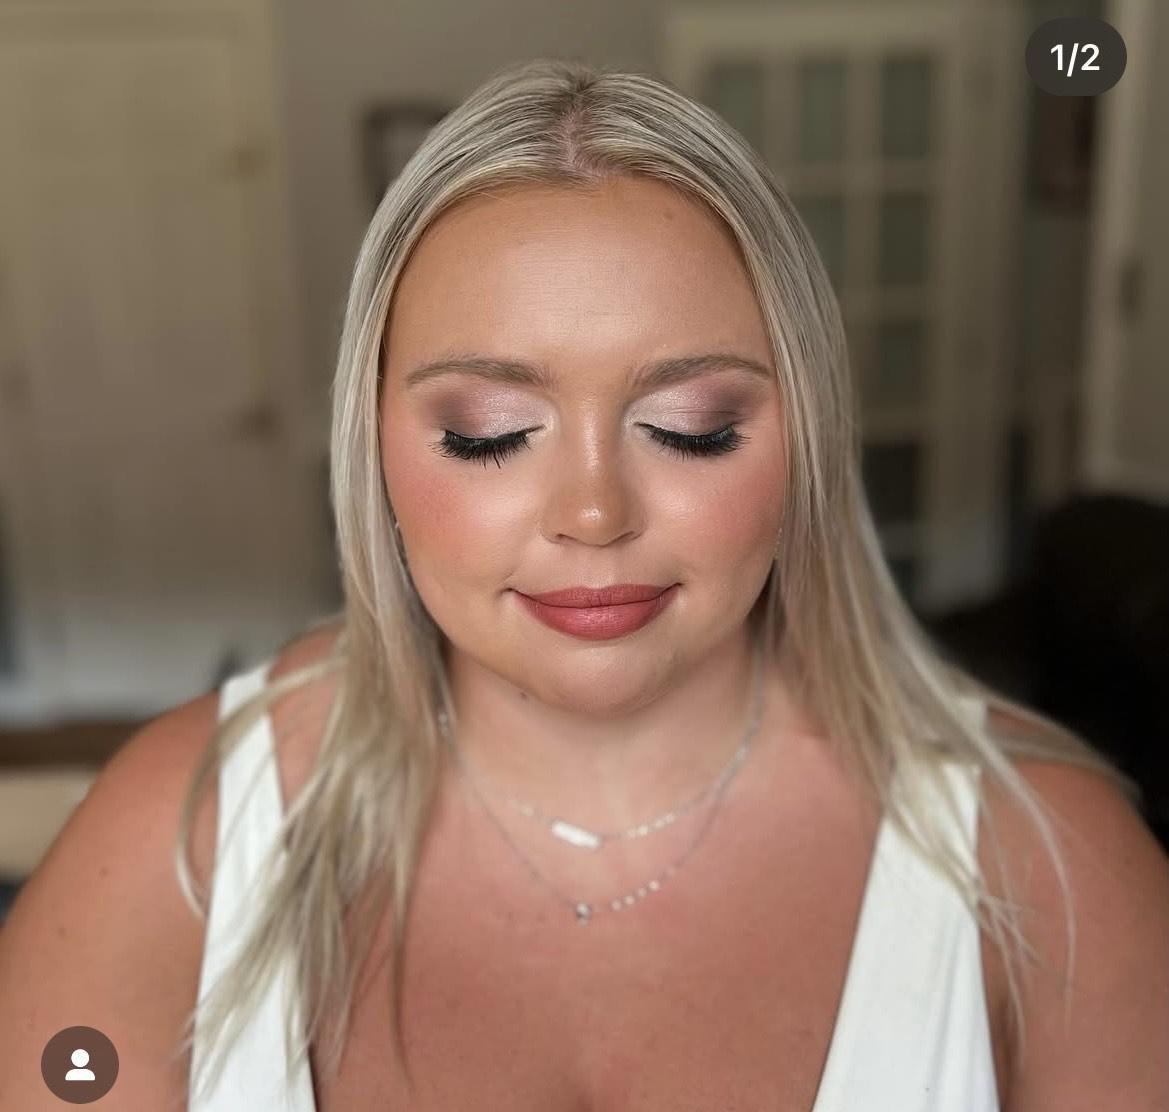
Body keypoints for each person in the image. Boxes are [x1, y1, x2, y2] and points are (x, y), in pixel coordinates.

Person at [1, 57, 1167, 1112]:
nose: (595, 513)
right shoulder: (179, 838)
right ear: (374, 450)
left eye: (691, 426)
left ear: (806, 435)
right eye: (489, 432)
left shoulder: (1050, 862)